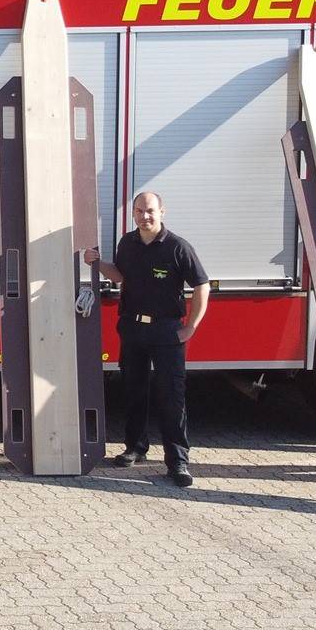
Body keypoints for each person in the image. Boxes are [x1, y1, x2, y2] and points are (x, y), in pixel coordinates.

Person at [85, 191, 210, 487]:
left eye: (150, 211)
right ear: (133, 214)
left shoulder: (178, 247)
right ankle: (135, 448)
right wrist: (97, 262)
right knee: (134, 391)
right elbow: (119, 277)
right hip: (132, 329)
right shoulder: (127, 243)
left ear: (162, 212)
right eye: (140, 211)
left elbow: (202, 286)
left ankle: (178, 462)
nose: (145, 216)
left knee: (171, 397)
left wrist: (191, 326)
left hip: (167, 332)